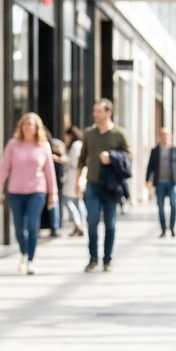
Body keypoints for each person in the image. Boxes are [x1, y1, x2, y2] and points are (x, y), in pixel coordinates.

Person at [0, 113, 58, 275]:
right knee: (19, 227)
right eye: (25, 124)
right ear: (21, 127)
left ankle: (31, 260)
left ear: (37, 128)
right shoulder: (13, 145)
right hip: (16, 191)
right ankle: (23, 252)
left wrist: (52, 193)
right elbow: (4, 168)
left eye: (31, 124)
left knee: (32, 225)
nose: (28, 127)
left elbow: (49, 171)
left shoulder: (43, 146)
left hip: (37, 191)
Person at [75, 99, 130, 272]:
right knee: (92, 222)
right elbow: (82, 158)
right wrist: (78, 181)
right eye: (94, 111)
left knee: (110, 224)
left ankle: (107, 259)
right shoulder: (89, 133)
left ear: (108, 113)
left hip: (111, 186)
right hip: (93, 184)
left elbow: (128, 157)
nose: (95, 114)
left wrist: (112, 156)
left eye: (98, 111)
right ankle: (93, 258)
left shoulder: (119, 134)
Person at [145, 128, 176, 238]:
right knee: (160, 206)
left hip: (172, 182)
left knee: (173, 205)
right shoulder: (155, 150)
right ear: (159, 137)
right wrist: (147, 179)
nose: (165, 137)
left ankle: (172, 228)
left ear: (170, 136)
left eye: (166, 135)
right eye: (162, 135)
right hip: (159, 183)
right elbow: (150, 166)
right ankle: (163, 229)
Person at [62, 126, 85, 236]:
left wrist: (63, 158)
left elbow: (75, 163)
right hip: (75, 177)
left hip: (74, 177)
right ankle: (78, 225)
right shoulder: (78, 145)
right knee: (77, 202)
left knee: (70, 201)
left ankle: (78, 223)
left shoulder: (76, 145)